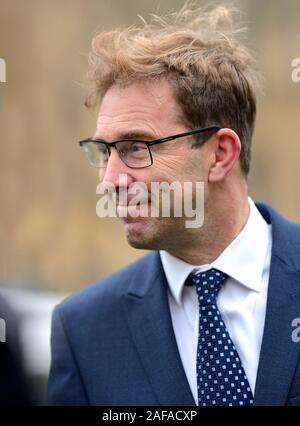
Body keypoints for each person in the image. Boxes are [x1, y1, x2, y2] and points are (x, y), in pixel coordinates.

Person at [48, 5, 300, 406]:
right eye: (103, 152)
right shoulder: (84, 331)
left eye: (135, 148)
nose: (109, 180)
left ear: (219, 154)